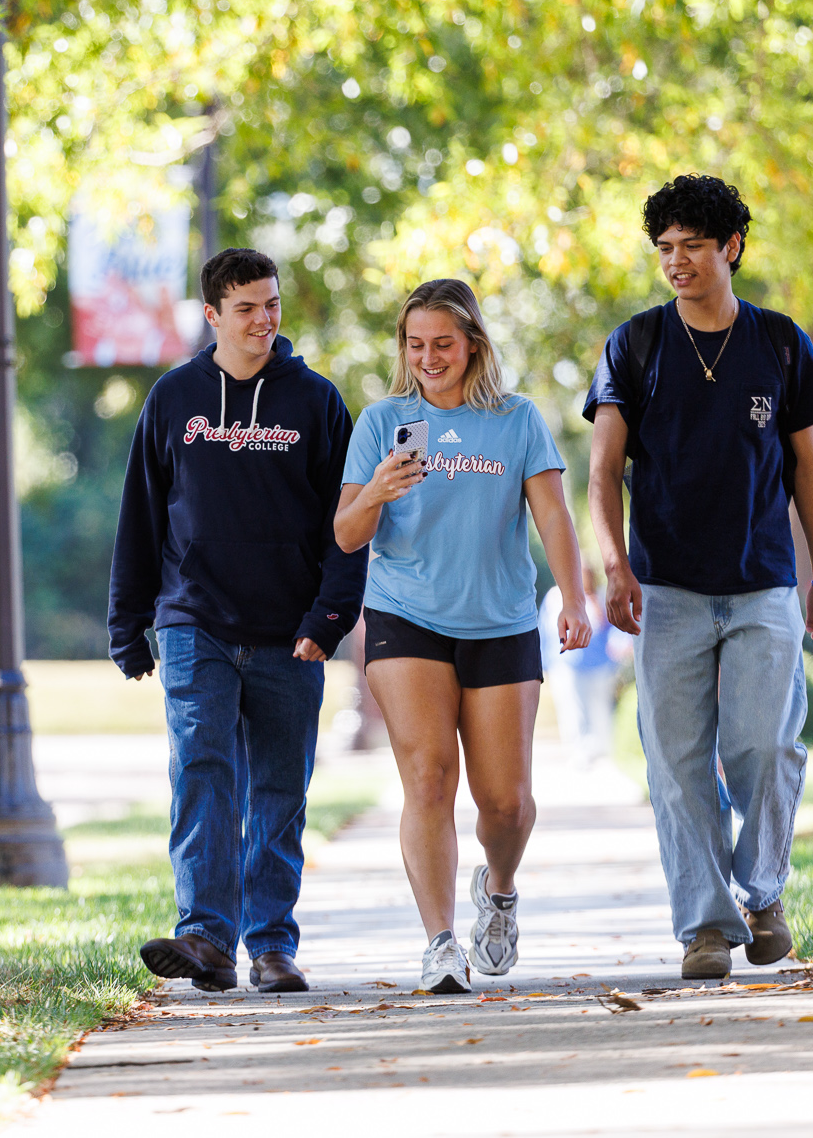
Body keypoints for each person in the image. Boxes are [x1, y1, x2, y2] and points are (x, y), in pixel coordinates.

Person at [584, 174, 813, 980]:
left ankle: (762, 894)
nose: (677, 261)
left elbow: (809, 470)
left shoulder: (781, 342)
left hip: (764, 582)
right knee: (676, 758)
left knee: (766, 744)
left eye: (693, 245)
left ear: (732, 247)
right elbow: (601, 471)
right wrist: (613, 563)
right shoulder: (636, 344)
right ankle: (704, 924)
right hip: (667, 589)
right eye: (665, 247)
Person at [109, 247, 366, 994]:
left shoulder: (315, 401)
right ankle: (206, 937)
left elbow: (347, 525)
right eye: (247, 307)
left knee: (280, 792)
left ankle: (273, 943)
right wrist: (128, 622)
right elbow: (142, 516)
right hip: (197, 623)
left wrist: (330, 615)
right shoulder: (174, 397)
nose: (264, 319)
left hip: (293, 629)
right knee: (202, 771)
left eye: (272, 304)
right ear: (212, 314)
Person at [334, 279, 591, 993]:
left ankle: (500, 891)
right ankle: (440, 944)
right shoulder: (384, 422)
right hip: (405, 615)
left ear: (473, 342)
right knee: (427, 778)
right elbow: (347, 535)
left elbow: (553, 516)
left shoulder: (516, 421)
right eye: (415, 345)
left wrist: (573, 598)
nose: (428, 357)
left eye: (442, 343)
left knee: (506, 803)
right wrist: (377, 491)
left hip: (501, 620)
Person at [540, 568, 630, 767]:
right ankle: (578, 750)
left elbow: (614, 629)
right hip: (566, 663)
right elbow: (544, 630)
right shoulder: (554, 598)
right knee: (571, 708)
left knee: (600, 709)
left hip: (600, 664)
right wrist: (543, 662)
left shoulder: (600, 597)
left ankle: (603, 751)